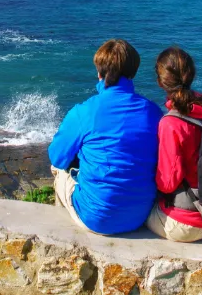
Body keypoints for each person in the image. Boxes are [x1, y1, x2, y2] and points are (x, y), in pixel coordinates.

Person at [48, 39, 163, 235]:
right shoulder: (153, 112)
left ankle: (63, 236)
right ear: (133, 73)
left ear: (99, 73)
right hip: (139, 215)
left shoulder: (84, 111)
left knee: (58, 170)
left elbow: (57, 157)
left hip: (96, 218)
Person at [146, 47, 202, 242]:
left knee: (135, 211)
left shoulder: (170, 124)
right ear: (192, 75)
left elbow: (168, 183)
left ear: (160, 82)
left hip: (185, 224)